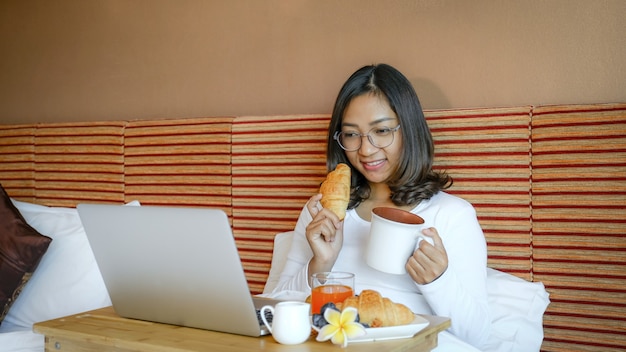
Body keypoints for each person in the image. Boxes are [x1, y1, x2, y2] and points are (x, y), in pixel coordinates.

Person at [273, 63, 490, 349]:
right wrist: (321, 263)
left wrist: (438, 281)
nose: (365, 149)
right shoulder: (323, 213)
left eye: (382, 130)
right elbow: (272, 312)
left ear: (408, 129)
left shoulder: (451, 216)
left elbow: (480, 339)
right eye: (351, 134)